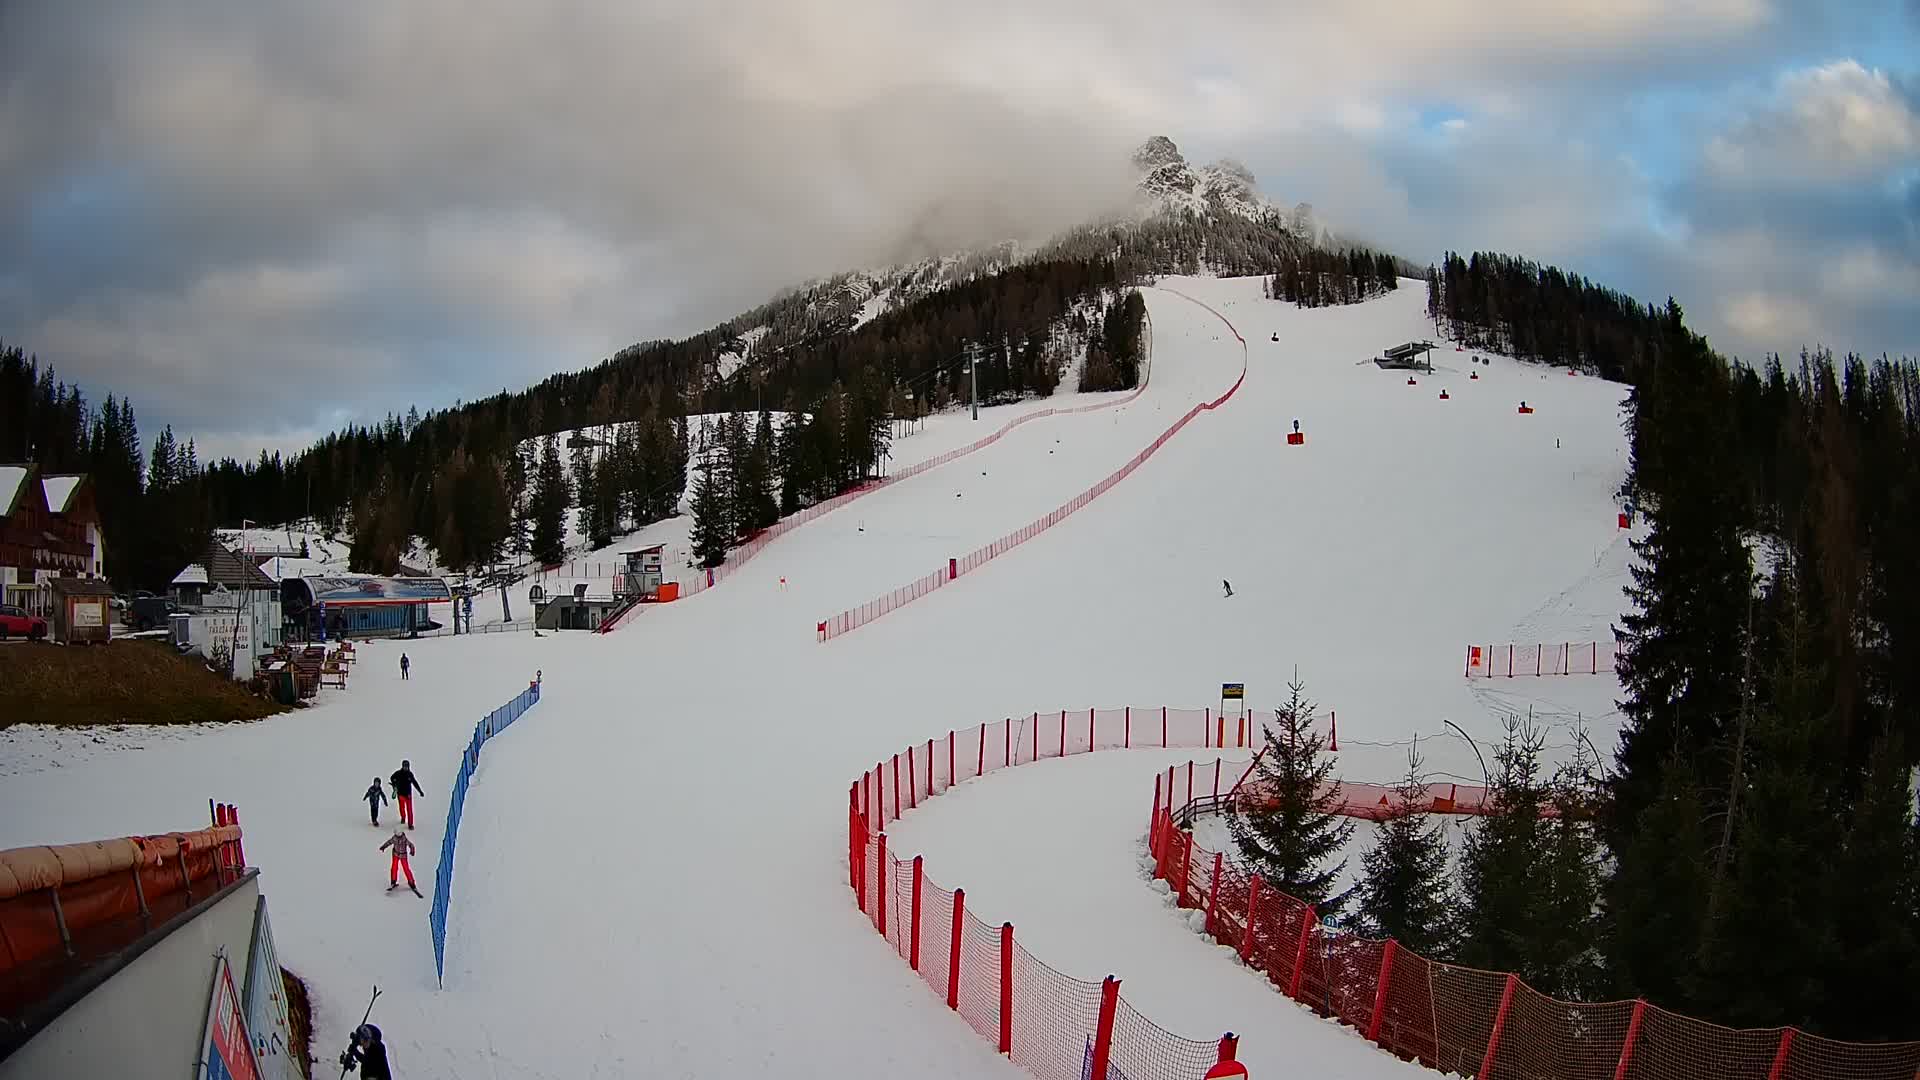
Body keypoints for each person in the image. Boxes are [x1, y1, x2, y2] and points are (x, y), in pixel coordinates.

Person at [380, 829, 418, 894]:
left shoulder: (404, 839)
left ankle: (411, 882)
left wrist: (412, 850)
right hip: (395, 854)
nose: (397, 836)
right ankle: (393, 881)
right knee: (394, 867)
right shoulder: (394, 838)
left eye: (399, 835)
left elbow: (411, 845)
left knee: (406, 869)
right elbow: (389, 842)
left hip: (403, 856)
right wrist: (384, 846)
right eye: (397, 835)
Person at [390, 760, 424, 829]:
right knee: (402, 808)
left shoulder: (410, 774)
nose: (405, 768)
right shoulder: (398, 773)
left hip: (408, 795)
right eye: (404, 766)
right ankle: (403, 818)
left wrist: (420, 791)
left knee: (409, 810)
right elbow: (392, 778)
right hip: (400, 794)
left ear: (409, 767)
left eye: (407, 766)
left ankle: (410, 824)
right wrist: (394, 784)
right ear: (402, 766)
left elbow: (415, 783)